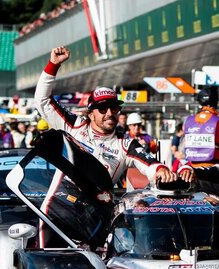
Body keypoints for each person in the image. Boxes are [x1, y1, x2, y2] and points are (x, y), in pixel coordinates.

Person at [35, 46, 175, 186]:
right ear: (90, 114)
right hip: (60, 203)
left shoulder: (125, 144)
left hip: (97, 206)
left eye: (114, 108)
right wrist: (53, 65)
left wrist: (160, 169)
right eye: (102, 108)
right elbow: (43, 101)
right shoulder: (74, 125)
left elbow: (150, 163)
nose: (109, 113)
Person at [182, 87, 219, 167]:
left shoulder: (188, 121)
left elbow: (184, 145)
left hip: (192, 168)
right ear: (216, 101)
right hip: (213, 168)